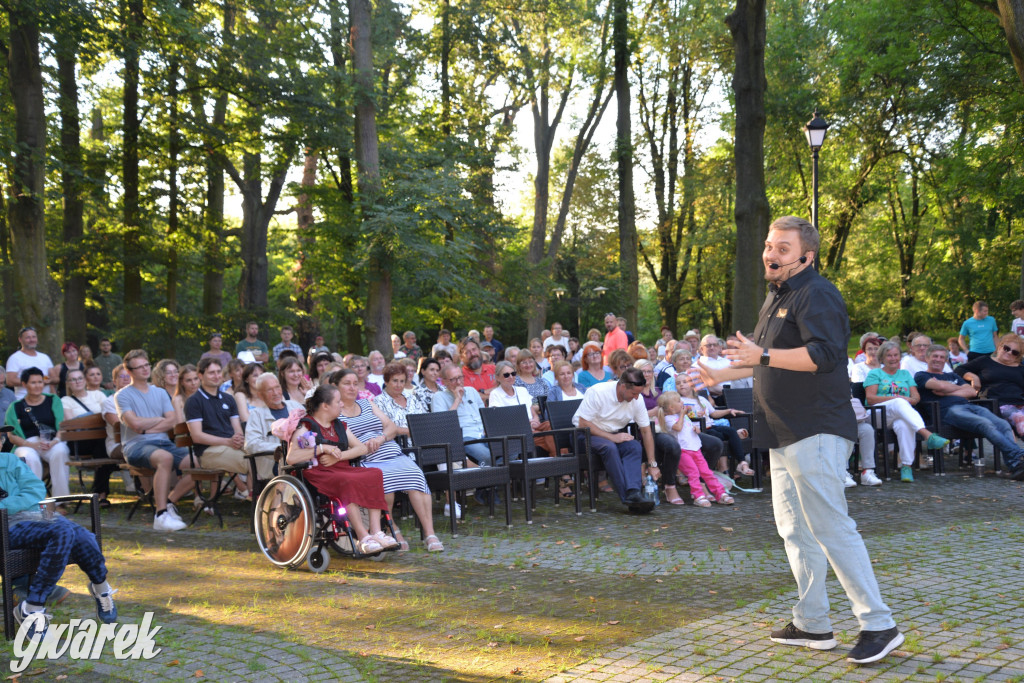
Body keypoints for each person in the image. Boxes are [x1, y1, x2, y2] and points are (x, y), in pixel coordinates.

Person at [697, 215, 903, 665]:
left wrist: (763, 354)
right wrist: (721, 372)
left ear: (806, 256)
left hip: (817, 429)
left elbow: (824, 356)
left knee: (830, 526)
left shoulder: (818, 293)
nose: (771, 253)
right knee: (794, 530)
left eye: (783, 248)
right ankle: (813, 624)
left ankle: (879, 623)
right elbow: (765, 362)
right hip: (781, 431)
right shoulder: (778, 297)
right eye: (770, 245)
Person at [1, 450, 117, 639]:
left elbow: (36, 490)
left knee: (83, 536)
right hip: (9, 526)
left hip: (41, 516)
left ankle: (100, 587)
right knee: (63, 530)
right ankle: (32, 607)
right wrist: (20, 502)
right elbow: (29, 497)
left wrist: (7, 503)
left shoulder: (10, 460)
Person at [336, 368, 442, 551]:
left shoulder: (368, 404)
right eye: (347, 383)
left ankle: (430, 533)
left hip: (389, 450)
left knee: (415, 475)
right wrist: (362, 446)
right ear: (335, 387)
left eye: (355, 383)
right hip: (365, 458)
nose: (352, 388)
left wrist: (381, 438)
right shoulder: (335, 412)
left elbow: (391, 426)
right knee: (384, 482)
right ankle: (393, 529)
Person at [285, 384, 395, 555]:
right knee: (347, 480)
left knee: (375, 473)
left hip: (341, 467)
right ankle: (363, 537)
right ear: (325, 406)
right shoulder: (307, 426)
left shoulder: (339, 425)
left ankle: (376, 531)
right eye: (338, 402)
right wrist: (321, 449)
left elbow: (362, 448)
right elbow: (291, 458)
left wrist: (339, 456)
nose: (342, 405)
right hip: (318, 473)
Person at [915, 344, 1024, 478]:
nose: (938, 359)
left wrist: (945, 393)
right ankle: (1018, 456)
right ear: (927, 358)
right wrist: (956, 389)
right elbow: (940, 385)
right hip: (948, 411)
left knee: (1003, 424)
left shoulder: (952, 375)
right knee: (984, 423)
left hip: (970, 407)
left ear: (946, 360)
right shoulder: (921, 375)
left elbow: (972, 392)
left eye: (942, 357)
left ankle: (1016, 466)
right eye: (935, 356)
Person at [116, 349, 194, 532]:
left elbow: (172, 420)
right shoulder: (122, 395)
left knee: (199, 462)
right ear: (129, 372)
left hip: (163, 443)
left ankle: (168, 503)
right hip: (136, 446)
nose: (144, 370)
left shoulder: (159, 392)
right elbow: (134, 424)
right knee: (165, 458)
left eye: (146, 365)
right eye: (139, 367)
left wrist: (146, 426)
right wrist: (158, 422)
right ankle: (160, 516)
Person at [571, 367, 660, 511]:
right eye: (634, 393)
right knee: (609, 447)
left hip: (612, 435)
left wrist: (652, 463)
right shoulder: (598, 392)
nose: (637, 397)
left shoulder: (637, 398)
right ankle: (629, 499)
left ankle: (634, 492)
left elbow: (645, 430)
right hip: (585, 435)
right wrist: (613, 438)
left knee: (634, 446)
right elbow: (583, 423)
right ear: (623, 386)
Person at [864, 339, 949, 482]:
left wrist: (911, 400)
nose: (893, 359)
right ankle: (928, 435)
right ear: (882, 358)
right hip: (876, 414)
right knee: (898, 402)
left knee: (904, 424)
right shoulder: (875, 374)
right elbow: (871, 398)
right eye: (889, 355)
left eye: (896, 355)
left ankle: (906, 466)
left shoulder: (905, 374)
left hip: (898, 414)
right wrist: (898, 398)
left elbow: (916, 397)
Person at [185, 358, 261, 499]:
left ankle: (257, 500)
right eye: (211, 373)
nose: (216, 376)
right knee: (253, 462)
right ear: (200, 375)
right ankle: (257, 503)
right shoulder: (194, 401)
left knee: (263, 455)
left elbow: (237, 427)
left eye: (219, 372)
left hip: (230, 447)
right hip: (208, 452)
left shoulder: (228, 399)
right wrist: (228, 441)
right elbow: (197, 436)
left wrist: (238, 438)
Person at [656, 391, 733, 507]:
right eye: (678, 401)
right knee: (693, 473)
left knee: (706, 472)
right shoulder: (669, 418)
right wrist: (682, 415)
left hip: (695, 448)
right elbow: (678, 427)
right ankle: (698, 496)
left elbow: (688, 427)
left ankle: (720, 493)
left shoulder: (684, 416)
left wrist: (695, 429)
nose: (682, 402)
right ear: (672, 407)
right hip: (683, 451)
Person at [4, 368, 71, 498]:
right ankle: (36, 501)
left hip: (51, 442)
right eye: (33, 382)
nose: (38, 386)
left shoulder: (53, 400)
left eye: (40, 382)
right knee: (29, 457)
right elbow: (11, 435)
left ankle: (61, 500)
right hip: (26, 444)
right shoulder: (15, 406)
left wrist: (54, 442)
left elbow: (61, 426)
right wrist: (30, 445)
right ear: (24, 384)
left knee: (61, 451)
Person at [954, 333, 1024, 438]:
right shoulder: (985, 361)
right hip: (996, 403)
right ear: (1000, 347)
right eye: (1006, 348)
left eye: (1014, 352)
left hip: (1020, 404)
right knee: (1019, 418)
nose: (1009, 352)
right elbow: (959, 369)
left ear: (1017, 356)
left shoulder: (1020, 369)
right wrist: (974, 377)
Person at [432, 364, 493, 470]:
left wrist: (488, 429)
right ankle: (489, 477)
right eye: (453, 380)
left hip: (484, 434)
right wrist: (457, 400)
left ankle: (489, 472)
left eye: (460, 377)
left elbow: (484, 414)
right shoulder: (439, 397)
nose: (459, 382)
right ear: (444, 381)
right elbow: (443, 424)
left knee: (510, 450)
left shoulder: (472, 391)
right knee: (486, 455)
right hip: (466, 437)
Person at [245, 373, 302, 460]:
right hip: (275, 467)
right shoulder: (257, 415)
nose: (275, 393)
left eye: (277, 387)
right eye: (269, 390)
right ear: (260, 395)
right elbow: (251, 444)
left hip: (302, 461)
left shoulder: (295, 406)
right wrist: (282, 448)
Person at [6, 327, 55, 399]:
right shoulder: (15, 358)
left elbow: (55, 378)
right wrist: (32, 381)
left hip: (45, 401)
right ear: (20, 339)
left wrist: (49, 380)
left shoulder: (44, 357)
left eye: (34, 337)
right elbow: (10, 381)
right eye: (28, 337)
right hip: (24, 401)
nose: (32, 340)